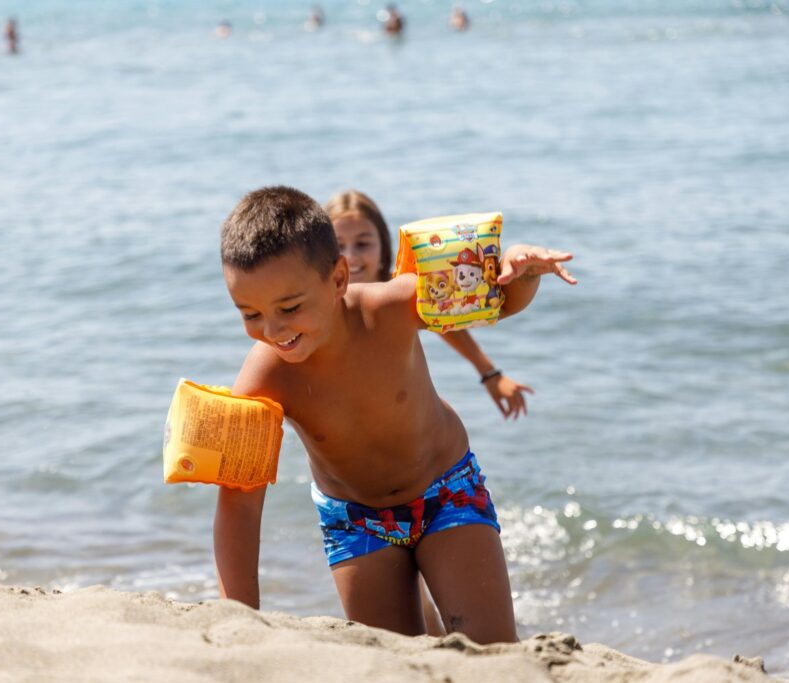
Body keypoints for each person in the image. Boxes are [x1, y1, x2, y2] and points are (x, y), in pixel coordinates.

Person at [216, 186, 575, 643]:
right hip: (355, 521)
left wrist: (523, 273)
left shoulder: (389, 307)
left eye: (289, 308)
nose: (272, 330)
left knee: (493, 651)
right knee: (397, 658)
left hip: (446, 491)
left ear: (339, 278)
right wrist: (240, 619)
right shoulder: (262, 379)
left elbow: (496, 303)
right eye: (249, 314)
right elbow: (239, 503)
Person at [325, 190, 532, 420]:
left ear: (383, 247)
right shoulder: (318, 308)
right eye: (338, 246)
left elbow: (443, 317)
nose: (350, 256)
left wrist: (490, 374)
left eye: (362, 244)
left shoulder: (400, 296)